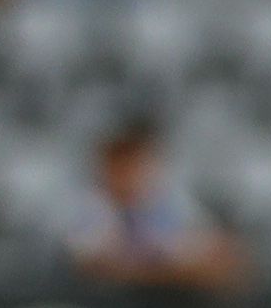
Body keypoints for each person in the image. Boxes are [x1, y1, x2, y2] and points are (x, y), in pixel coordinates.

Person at [68, 111, 247, 295]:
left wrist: (162, 269)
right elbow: (93, 265)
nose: (127, 174)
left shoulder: (163, 202)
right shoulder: (93, 205)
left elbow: (217, 255)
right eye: (119, 166)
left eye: (134, 165)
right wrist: (162, 272)